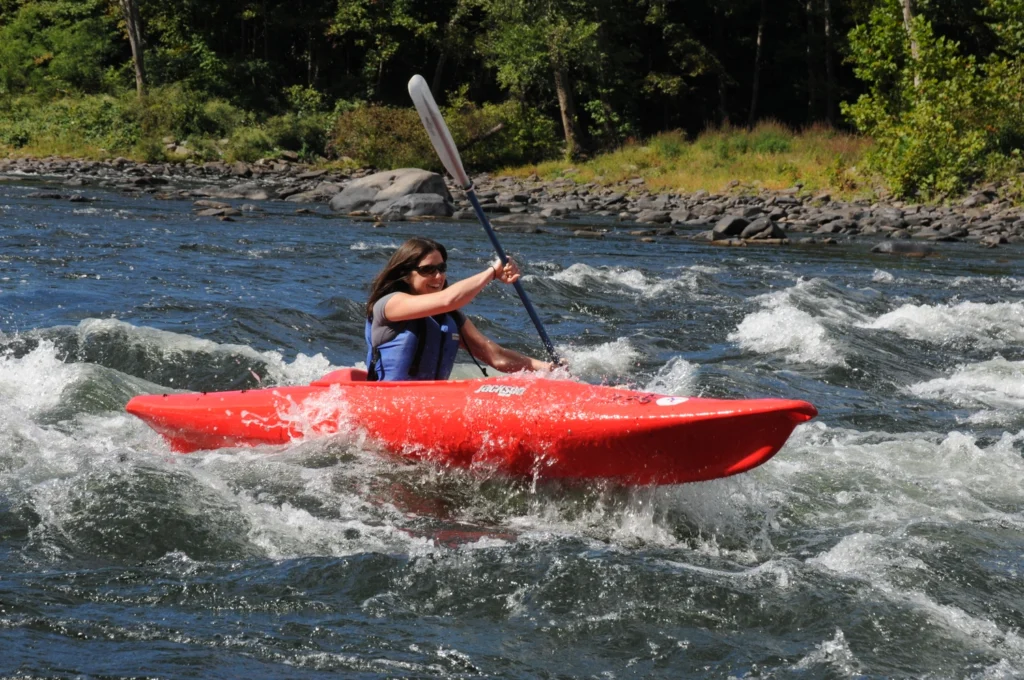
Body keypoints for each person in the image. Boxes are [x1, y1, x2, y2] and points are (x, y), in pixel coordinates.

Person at [365, 237, 553, 381]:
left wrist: (547, 368)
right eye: (428, 270)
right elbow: (448, 299)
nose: (438, 277)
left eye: (441, 268)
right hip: (389, 399)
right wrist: (492, 273)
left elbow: (497, 357)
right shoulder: (389, 304)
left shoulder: (450, 318)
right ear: (405, 275)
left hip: (430, 402)